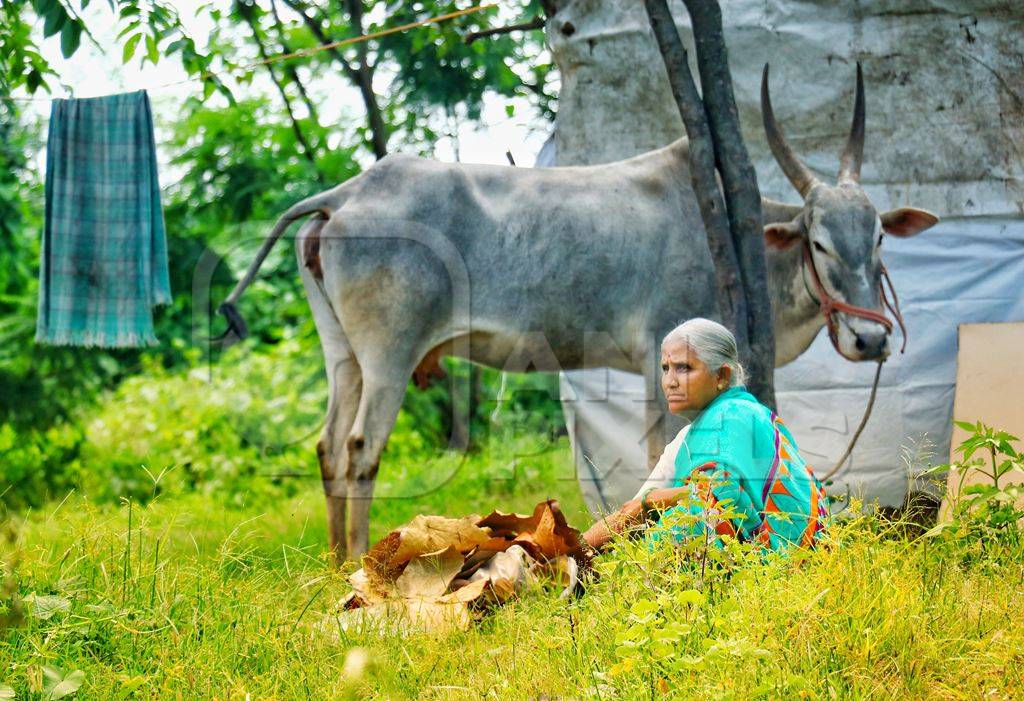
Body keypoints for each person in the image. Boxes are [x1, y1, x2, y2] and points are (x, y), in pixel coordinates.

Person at [582, 318, 829, 552]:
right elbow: (631, 513)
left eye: (684, 368)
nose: (670, 381)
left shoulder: (736, 415)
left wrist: (653, 502)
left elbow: (720, 496)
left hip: (781, 566)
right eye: (665, 368)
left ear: (721, 376)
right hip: (751, 568)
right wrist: (570, 552)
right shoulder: (689, 438)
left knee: (690, 525)